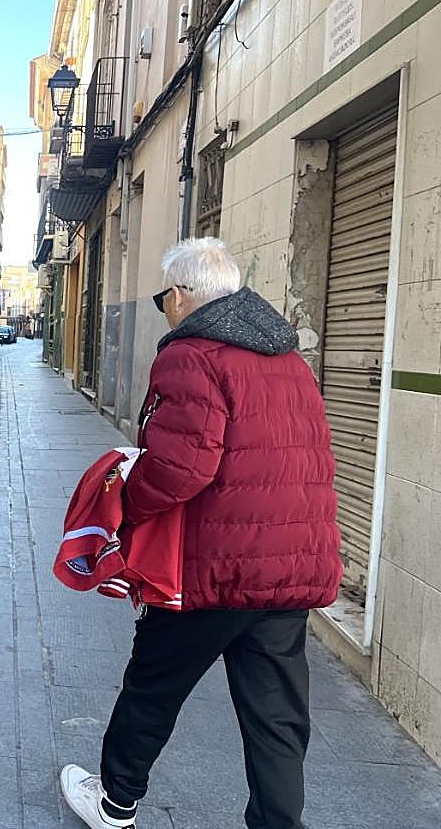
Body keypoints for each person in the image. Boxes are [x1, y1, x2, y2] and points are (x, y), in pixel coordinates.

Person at [59, 238, 343, 829]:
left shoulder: (192, 355)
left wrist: (123, 503)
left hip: (214, 564)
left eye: (165, 295)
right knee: (276, 715)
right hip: (292, 567)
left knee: (154, 685)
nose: (165, 305)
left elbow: (183, 468)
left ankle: (114, 802)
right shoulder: (289, 358)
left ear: (184, 296)